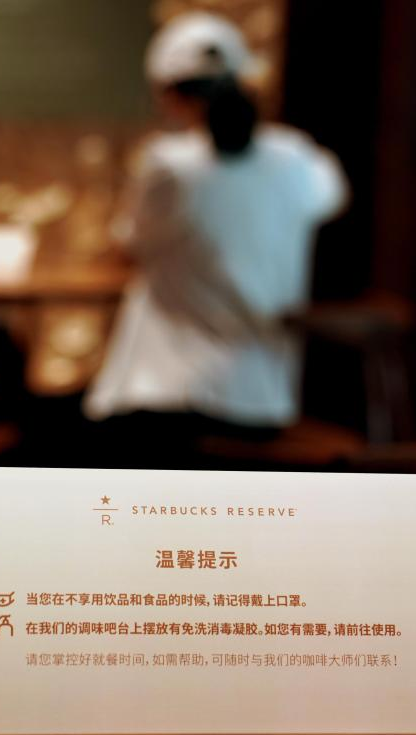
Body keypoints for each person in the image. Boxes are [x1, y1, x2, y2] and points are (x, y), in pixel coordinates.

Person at [82, 12, 349, 463]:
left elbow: (126, 249)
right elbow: (331, 198)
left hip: (165, 400)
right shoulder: (299, 159)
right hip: (263, 400)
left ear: (169, 96)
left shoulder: (170, 167)